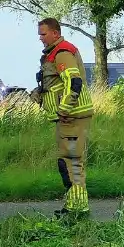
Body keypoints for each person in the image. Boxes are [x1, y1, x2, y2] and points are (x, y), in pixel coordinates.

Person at [29, 17, 94, 218]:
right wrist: (40, 93)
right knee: (68, 161)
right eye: (39, 34)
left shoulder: (62, 52)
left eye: (43, 33)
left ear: (55, 33)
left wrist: (64, 109)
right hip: (68, 117)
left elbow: (73, 82)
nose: (40, 38)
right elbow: (59, 83)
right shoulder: (55, 53)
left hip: (71, 117)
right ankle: (75, 206)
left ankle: (77, 209)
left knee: (71, 162)